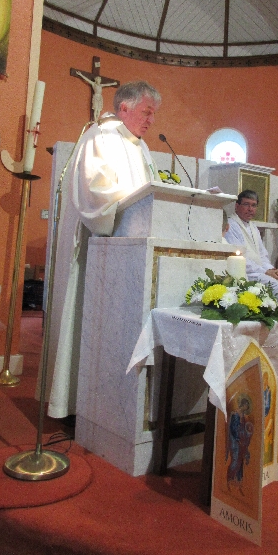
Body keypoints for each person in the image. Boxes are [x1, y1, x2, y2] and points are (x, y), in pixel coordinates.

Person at [45, 80, 161, 419]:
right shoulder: (101, 137)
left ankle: (110, 406)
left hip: (132, 252)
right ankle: (78, 404)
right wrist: (131, 210)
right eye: (147, 112)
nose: (151, 120)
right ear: (124, 107)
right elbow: (96, 191)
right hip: (100, 250)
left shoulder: (141, 147)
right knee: (87, 325)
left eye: (153, 114)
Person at [224, 190, 278, 300]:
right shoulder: (231, 225)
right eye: (246, 204)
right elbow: (239, 256)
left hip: (257, 271)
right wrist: (265, 271)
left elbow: (262, 254)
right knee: (275, 285)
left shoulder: (253, 227)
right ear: (237, 206)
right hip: (244, 272)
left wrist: (271, 269)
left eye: (254, 205)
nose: (250, 209)